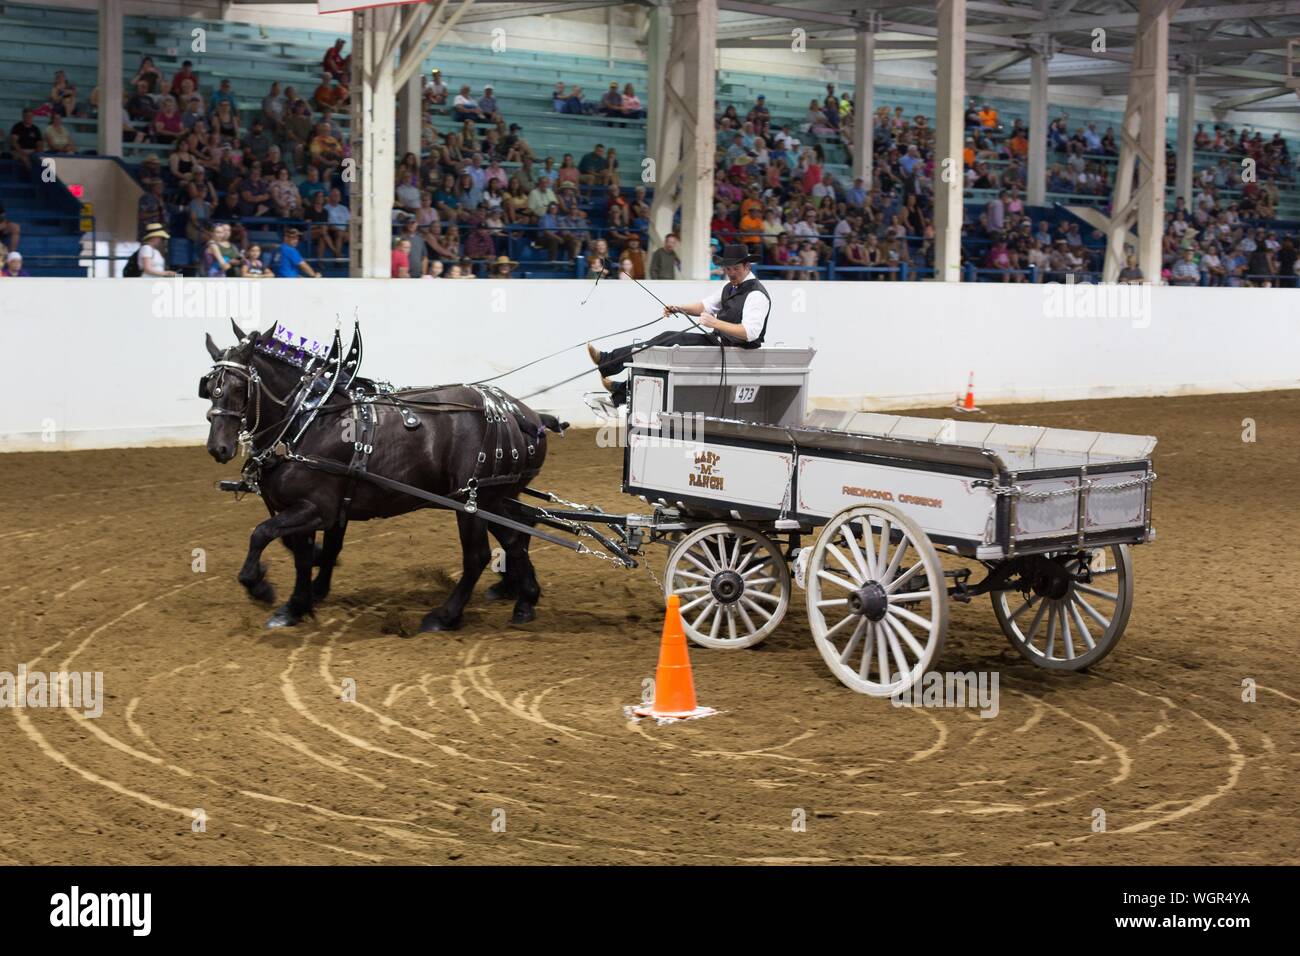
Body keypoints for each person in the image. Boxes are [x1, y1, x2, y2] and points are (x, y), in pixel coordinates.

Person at [587, 243, 771, 406]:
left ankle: (609, 363)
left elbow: (750, 333)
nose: (730, 273)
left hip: (735, 350)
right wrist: (679, 308)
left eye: (735, 269)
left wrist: (715, 322)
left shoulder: (756, 294)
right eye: (727, 269)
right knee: (664, 347)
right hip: (720, 344)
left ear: (747, 266)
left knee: (667, 340)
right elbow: (705, 306)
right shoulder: (730, 287)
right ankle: (618, 386)